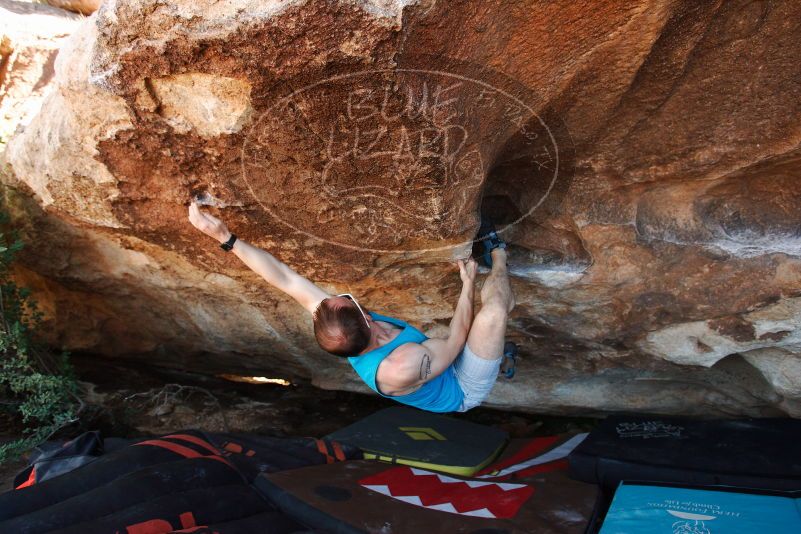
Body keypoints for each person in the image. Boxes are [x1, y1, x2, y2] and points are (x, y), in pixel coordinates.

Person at [188, 202, 515, 413]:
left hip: (435, 356)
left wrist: (226, 239)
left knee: (477, 333)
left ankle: (494, 352)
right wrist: (468, 282)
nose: (338, 294)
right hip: (461, 386)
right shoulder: (398, 367)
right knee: (492, 315)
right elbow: (457, 341)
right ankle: (499, 253)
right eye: (348, 299)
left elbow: (284, 279)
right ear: (366, 318)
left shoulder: (344, 328)